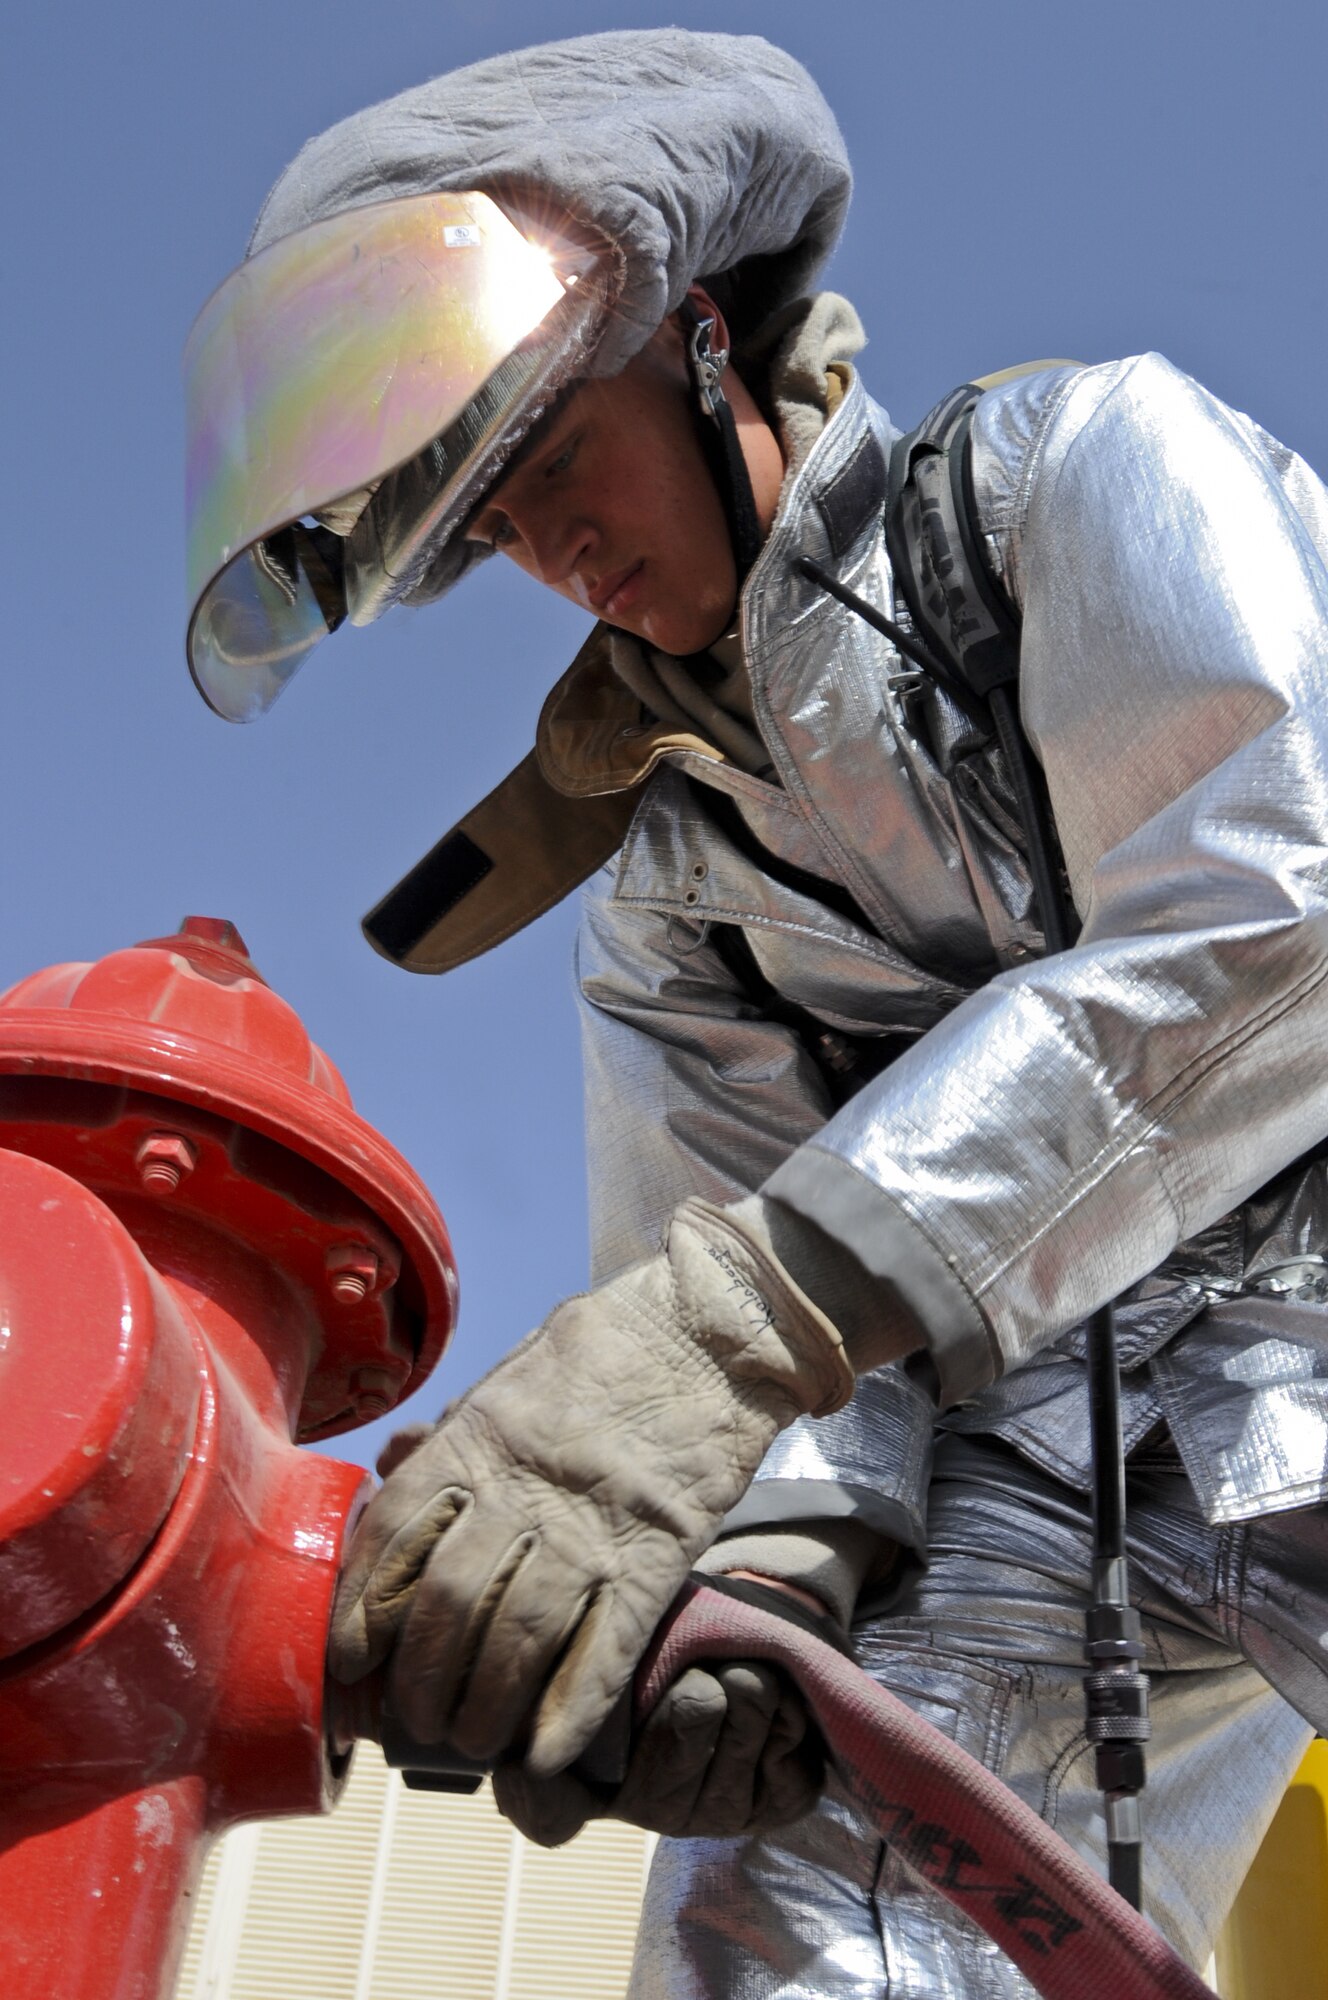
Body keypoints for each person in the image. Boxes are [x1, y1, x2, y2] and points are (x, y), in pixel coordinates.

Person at [184, 29, 1328, 1995]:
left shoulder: (1078, 471)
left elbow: (1272, 911)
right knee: (817, 1932)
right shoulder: (669, 905)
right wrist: (771, 1572)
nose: (559, 552)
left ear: (707, 352)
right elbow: (715, 1347)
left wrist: (751, 1318)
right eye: (495, 538)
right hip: (1049, 1454)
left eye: (560, 466)